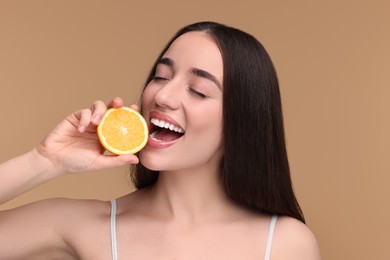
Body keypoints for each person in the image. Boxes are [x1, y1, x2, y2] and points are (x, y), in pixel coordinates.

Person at [0, 21, 320, 259]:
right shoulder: (83, 224)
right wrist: (44, 161)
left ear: (242, 120)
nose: (163, 96)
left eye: (198, 90)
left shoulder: (284, 244)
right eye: (161, 76)